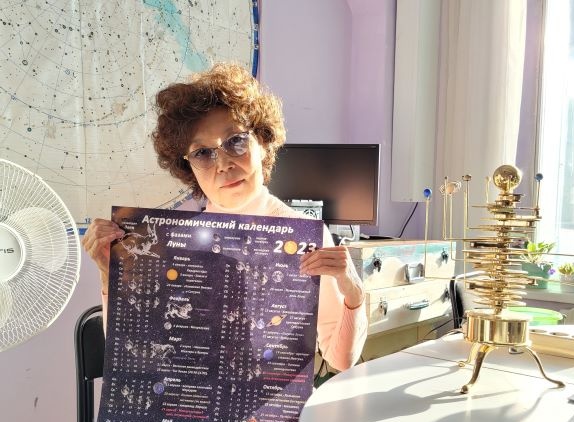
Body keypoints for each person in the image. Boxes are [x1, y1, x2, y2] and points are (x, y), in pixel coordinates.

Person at [82, 63, 367, 371]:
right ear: (188, 167)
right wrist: (110, 275)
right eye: (202, 153)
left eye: (236, 141)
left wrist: (353, 292)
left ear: (262, 142)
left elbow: (341, 360)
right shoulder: (168, 244)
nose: (223, 164)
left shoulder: (306, 236)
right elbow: (133, 356)